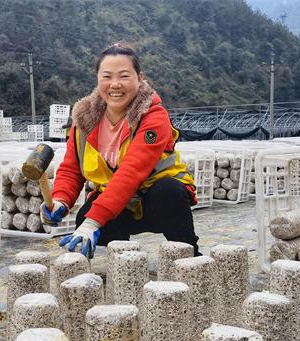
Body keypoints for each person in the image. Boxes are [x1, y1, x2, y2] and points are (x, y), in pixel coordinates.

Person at [41, 42, 200, 258]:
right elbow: (72, 170)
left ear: (139, 78)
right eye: (107, 76)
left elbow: (131, 173)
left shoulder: (153, 117)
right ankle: (120, 266)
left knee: (168, 192)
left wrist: (94, 222)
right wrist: (60, 200)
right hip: (118, 204)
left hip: (157, 202)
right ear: (98, 79)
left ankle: (189, 259)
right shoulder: (84, 121)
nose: (115, 84)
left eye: (124, 76)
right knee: (85, 217)